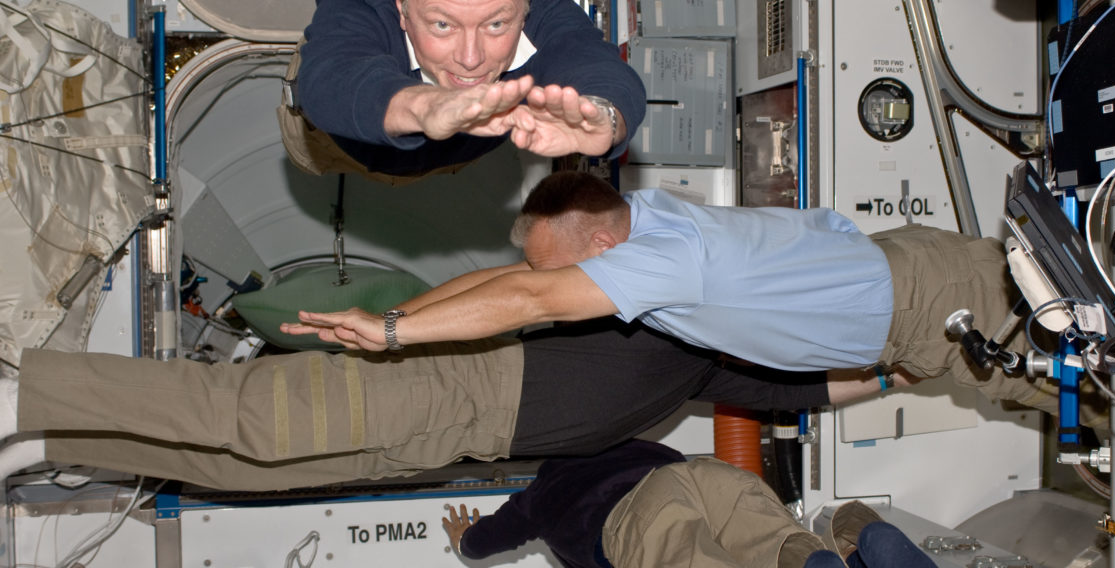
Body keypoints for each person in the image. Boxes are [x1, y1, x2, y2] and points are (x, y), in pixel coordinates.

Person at [281, 170, 1109, 423]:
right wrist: (399, 315)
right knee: (1109, 305)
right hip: (913, 278)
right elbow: (515, 279)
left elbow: (531, 299)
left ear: (602, 247)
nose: (553, 276)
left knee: (1112, 379)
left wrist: (393, 340)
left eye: (566, 266)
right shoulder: (640, 219)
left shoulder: (664, 262)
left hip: (939, 307)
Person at [0, 318, 913, 490]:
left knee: (244, 468)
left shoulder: (707, 373)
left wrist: (884, 377)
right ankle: (23, 395)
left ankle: (50, 440)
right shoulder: (680, 290)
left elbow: (794, 392)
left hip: (445, 444)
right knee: (243, 412)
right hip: (442, 384)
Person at [295, 0, 645, 176]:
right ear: (401, 7)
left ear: (525, 10)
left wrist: (606, 117)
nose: (471, 58)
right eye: (443, 25)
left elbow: (597, 66)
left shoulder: (542, 7)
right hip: (334, 144)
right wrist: (427, 106)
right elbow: (331, 78)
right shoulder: (358, 3)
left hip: (451, 160)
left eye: (495, 25)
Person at [441, 439, 938, 568]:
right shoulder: (619, 438)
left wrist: (464, 539)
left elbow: (487, 541)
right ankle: (831, 560)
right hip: (700, 474)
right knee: (773, 540)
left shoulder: (544, 490)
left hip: (637, 515)